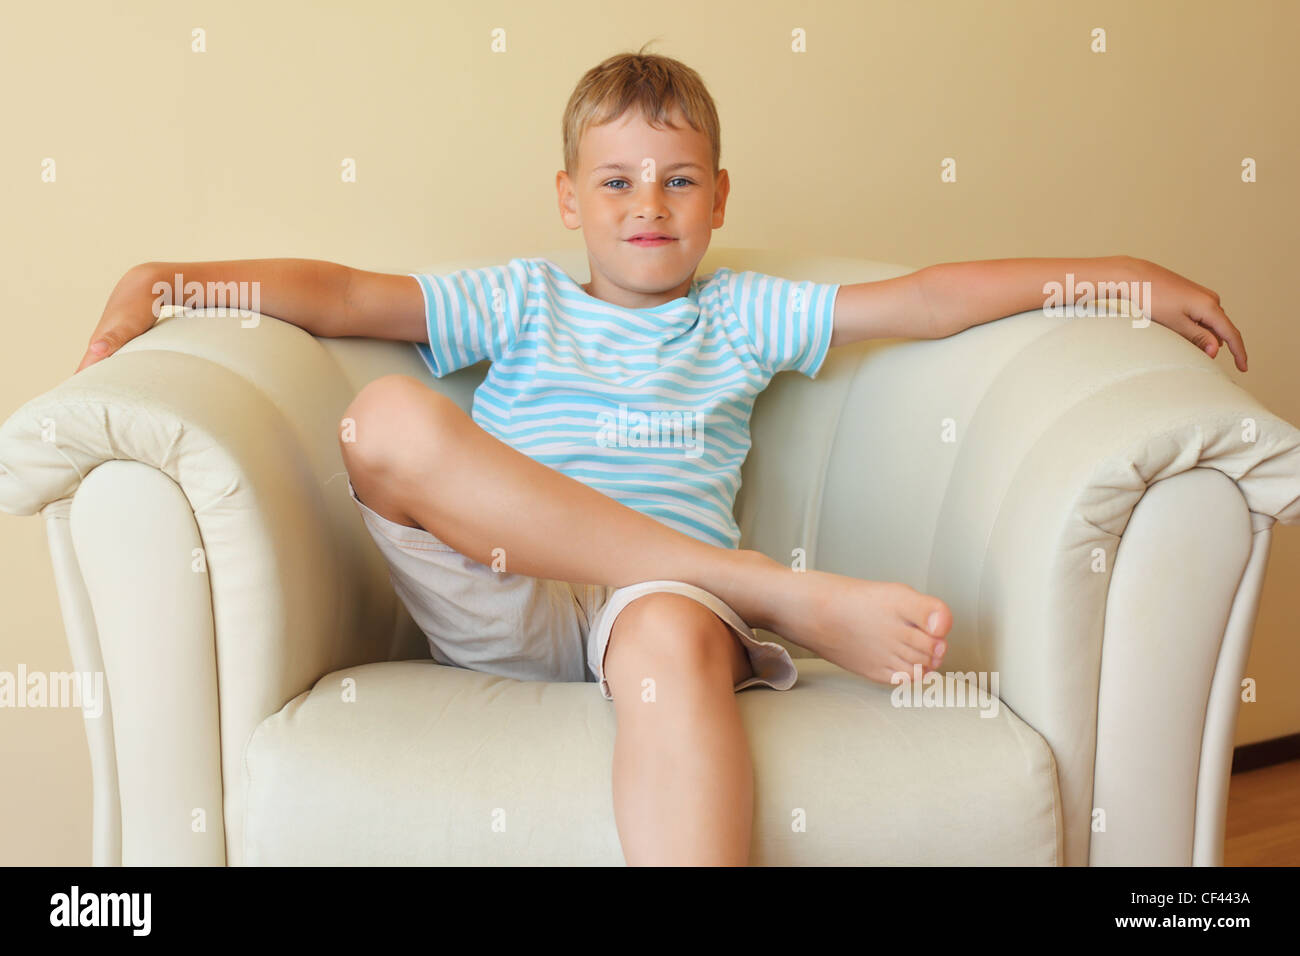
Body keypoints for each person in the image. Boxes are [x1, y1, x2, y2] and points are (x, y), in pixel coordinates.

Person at [74, 46, 1248, 867]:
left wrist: (1125, 279)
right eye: (619, 180)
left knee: (675, 636)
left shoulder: (737, 315)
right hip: (505, 583)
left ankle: (727, 594)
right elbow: (336, 294)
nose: (650, 204)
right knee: (382, 419)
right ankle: (775, 590)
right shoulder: (521, 298)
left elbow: (934, 298)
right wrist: (170, 281)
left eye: (680, 178)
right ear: (568, 198)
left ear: (719, 195)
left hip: (657, 598)